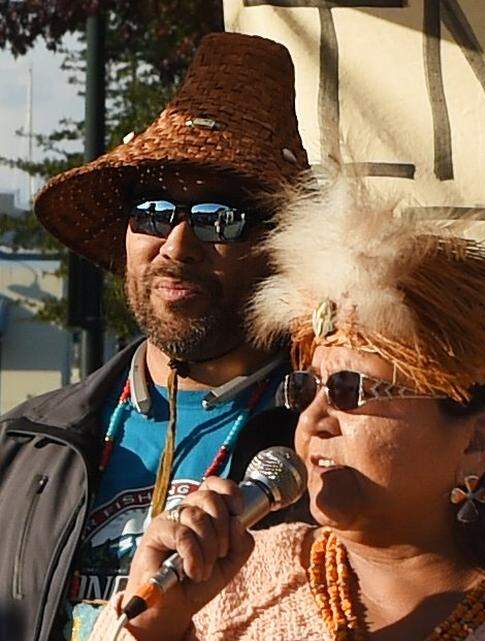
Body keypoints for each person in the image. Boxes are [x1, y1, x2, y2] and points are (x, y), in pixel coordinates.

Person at [82, 168, 485, 641]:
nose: (313, 422)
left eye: (352, 391)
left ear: (477, 443)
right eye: (306, 389)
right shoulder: (240, 576)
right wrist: (156, 627)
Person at [0, 32, 311, 641]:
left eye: (219, 218)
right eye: (153, 212)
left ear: (281, 247)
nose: (177, 245)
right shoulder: (26, 444)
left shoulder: (326, 448)